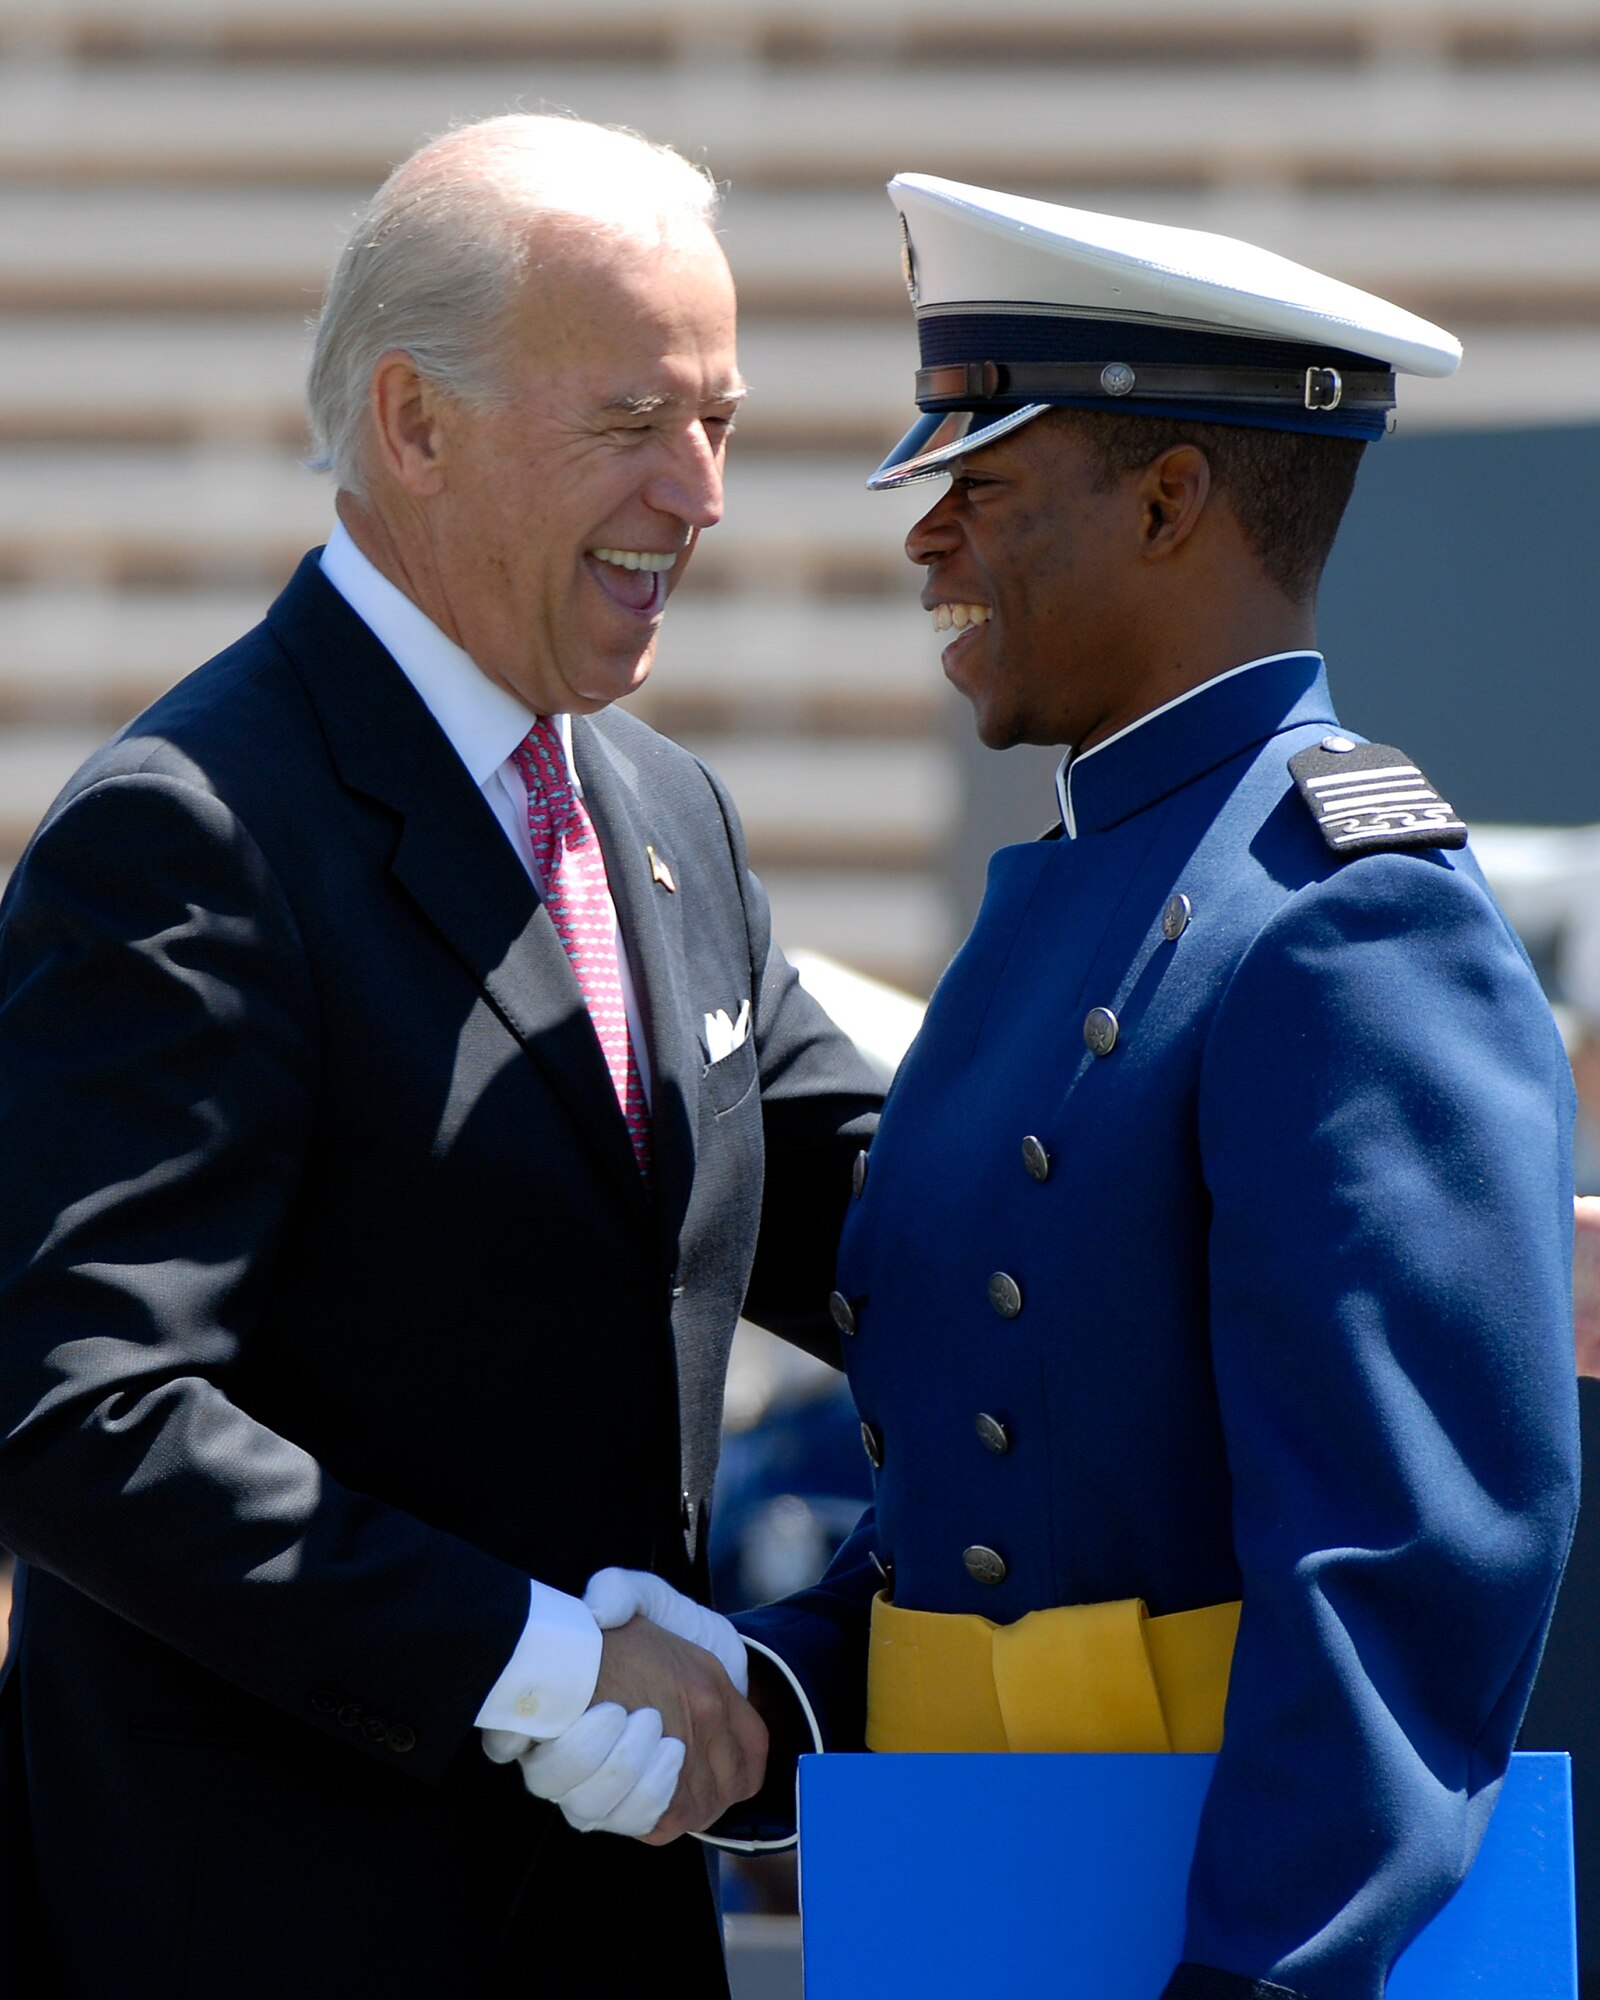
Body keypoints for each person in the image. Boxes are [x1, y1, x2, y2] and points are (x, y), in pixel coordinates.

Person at [593, 178, 1582, 1996]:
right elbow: (1005, 1472)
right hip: (983, 1890)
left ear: (1169, 498)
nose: (927, 545)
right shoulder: (1073, 892)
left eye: (979, 487)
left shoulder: (1345, 919)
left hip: (1207, 1924)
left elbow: (1398, 1586)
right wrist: (787, 1685)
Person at [0, 115, 881, 1999]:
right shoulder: (192, 832)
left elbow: (893, 1222)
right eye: (640, 420)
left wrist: (1389, 1242)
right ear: (415, 423)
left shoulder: (669, 818)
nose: (703, 490)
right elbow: (76, 1408)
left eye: (720, 420)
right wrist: (535, 1663)